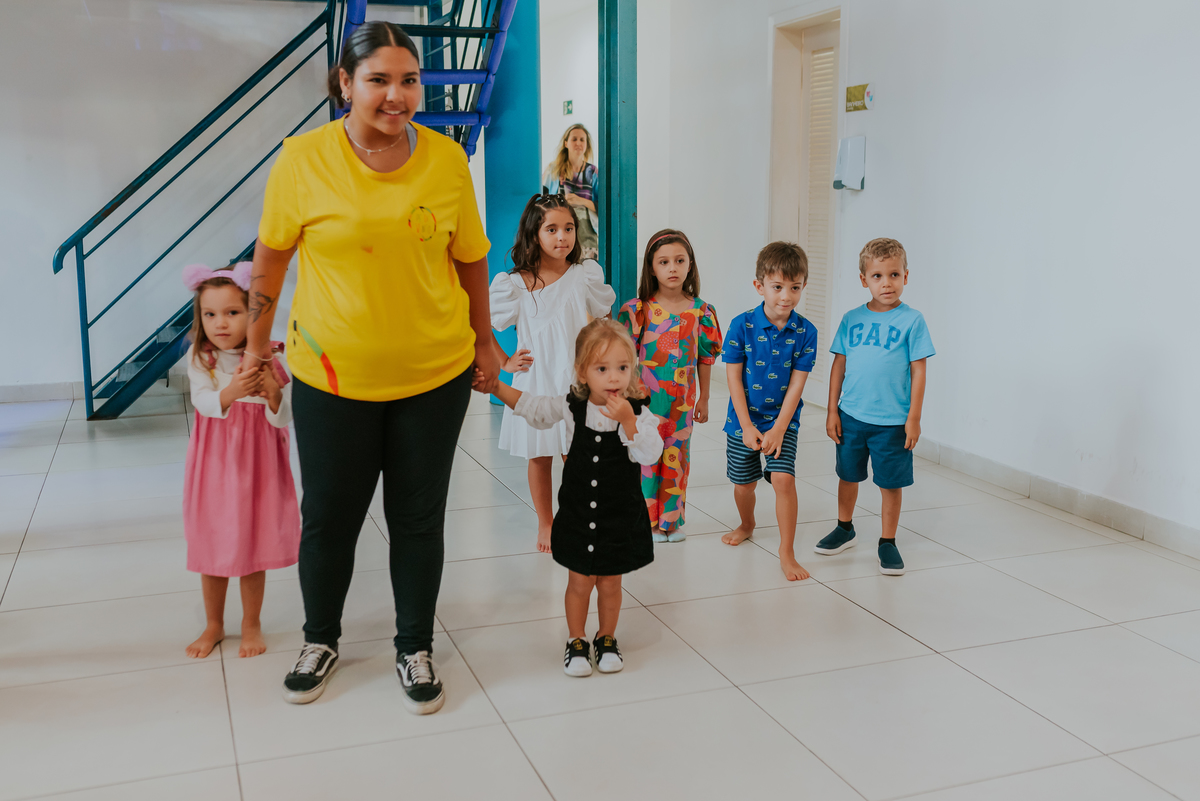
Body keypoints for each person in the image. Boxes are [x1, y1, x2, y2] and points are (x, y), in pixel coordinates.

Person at [242, 21, 503, 713]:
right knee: (329, 516)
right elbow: (271, 259)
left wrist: (485, 340)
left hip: (434, 374)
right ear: (345, 84)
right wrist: (254, 348)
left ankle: (414, 645)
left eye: (409, 79)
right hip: (334, 378)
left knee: (419, 517)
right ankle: (319, 639)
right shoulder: (303, 159)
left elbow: (470, 256)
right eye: (379, 79)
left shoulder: (446, 159)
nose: (397, 94)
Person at [479, 320, 663, 676]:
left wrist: (629, 422)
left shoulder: (638, 412)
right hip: (579, 514)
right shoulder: (570, 406)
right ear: (582, 371)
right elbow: (532, 407)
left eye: (622, 368)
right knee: (578, 583)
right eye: (602, 369)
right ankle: (576, 640)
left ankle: (607, 637)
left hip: (618, 516)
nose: (614, 378)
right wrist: (497, 387)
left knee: (610, 583)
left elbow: (650, 454)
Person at [181, 261, 299, 660]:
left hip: (258, 465)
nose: (221, 323)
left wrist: (272, 394)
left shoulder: (273, 359)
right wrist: (231, 392)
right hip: (215, 466)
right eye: (210, 314)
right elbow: (203, 403)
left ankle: (252, 623)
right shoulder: (202, 361)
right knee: (213, 542)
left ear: (255, 315)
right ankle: (214, 623)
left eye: (233, 312)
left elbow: (283, 419)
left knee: (253, 542)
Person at [490, 193, 616, 553]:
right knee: (540, 454)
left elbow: (602, 319)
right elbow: (483, 324)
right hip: (536, 380)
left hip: (576, 379)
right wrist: (504, 361)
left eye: (569, 228)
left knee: (578, 454)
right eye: (552, 229)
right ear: (534, 234)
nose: (562, 237)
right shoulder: (514, 284)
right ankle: (546, 522)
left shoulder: (585, 275)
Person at [818, 238, 935, 575]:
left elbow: (919, 371)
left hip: (893, 422)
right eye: (878, 276)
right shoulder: (851, 318)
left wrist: (913, 418)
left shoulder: (912, 321)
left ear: (906, 277)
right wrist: (831, 411)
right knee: (848, 475)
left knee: (890, 483)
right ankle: (845, 527)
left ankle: (888, 541)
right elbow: (838, 365)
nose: (887, 283)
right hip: (851, 416)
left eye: (894, 275)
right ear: (863, 280)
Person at [720, 242, 817, 582]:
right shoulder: (741, 326)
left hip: (783, 421)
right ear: (759, 286)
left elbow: (796, 386)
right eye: (777, 287)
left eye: (795, 287)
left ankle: (786, 551)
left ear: (803, 286)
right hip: (742, 421)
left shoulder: (806, 332)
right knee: (744, 485)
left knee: (783, 479)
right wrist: (746, 426)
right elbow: (732, 377)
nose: (786, 296)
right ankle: (747, 523)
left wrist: (778, 429)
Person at [617, 229, 722, 542]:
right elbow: (623, 359)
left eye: (679, 260)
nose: (672, 268)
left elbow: (706, 359)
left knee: (677, 458)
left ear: (690, 265)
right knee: (645, 457)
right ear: (652, 267)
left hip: (683, 404)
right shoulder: (636, 310)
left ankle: (670, 522)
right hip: (644, 402)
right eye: (664, 262)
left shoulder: (702, 312)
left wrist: (703, 399)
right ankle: (643, 520)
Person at [544, 124, 600, 259]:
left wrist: (581, 201)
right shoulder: (554, 170)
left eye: (582, 140)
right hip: (561, 233)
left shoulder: (593, 172)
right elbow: (543, 202)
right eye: (574, 139)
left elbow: (602, 207)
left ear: (587, 145)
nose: (578, 143)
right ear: (566, 143)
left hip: (587, 235)